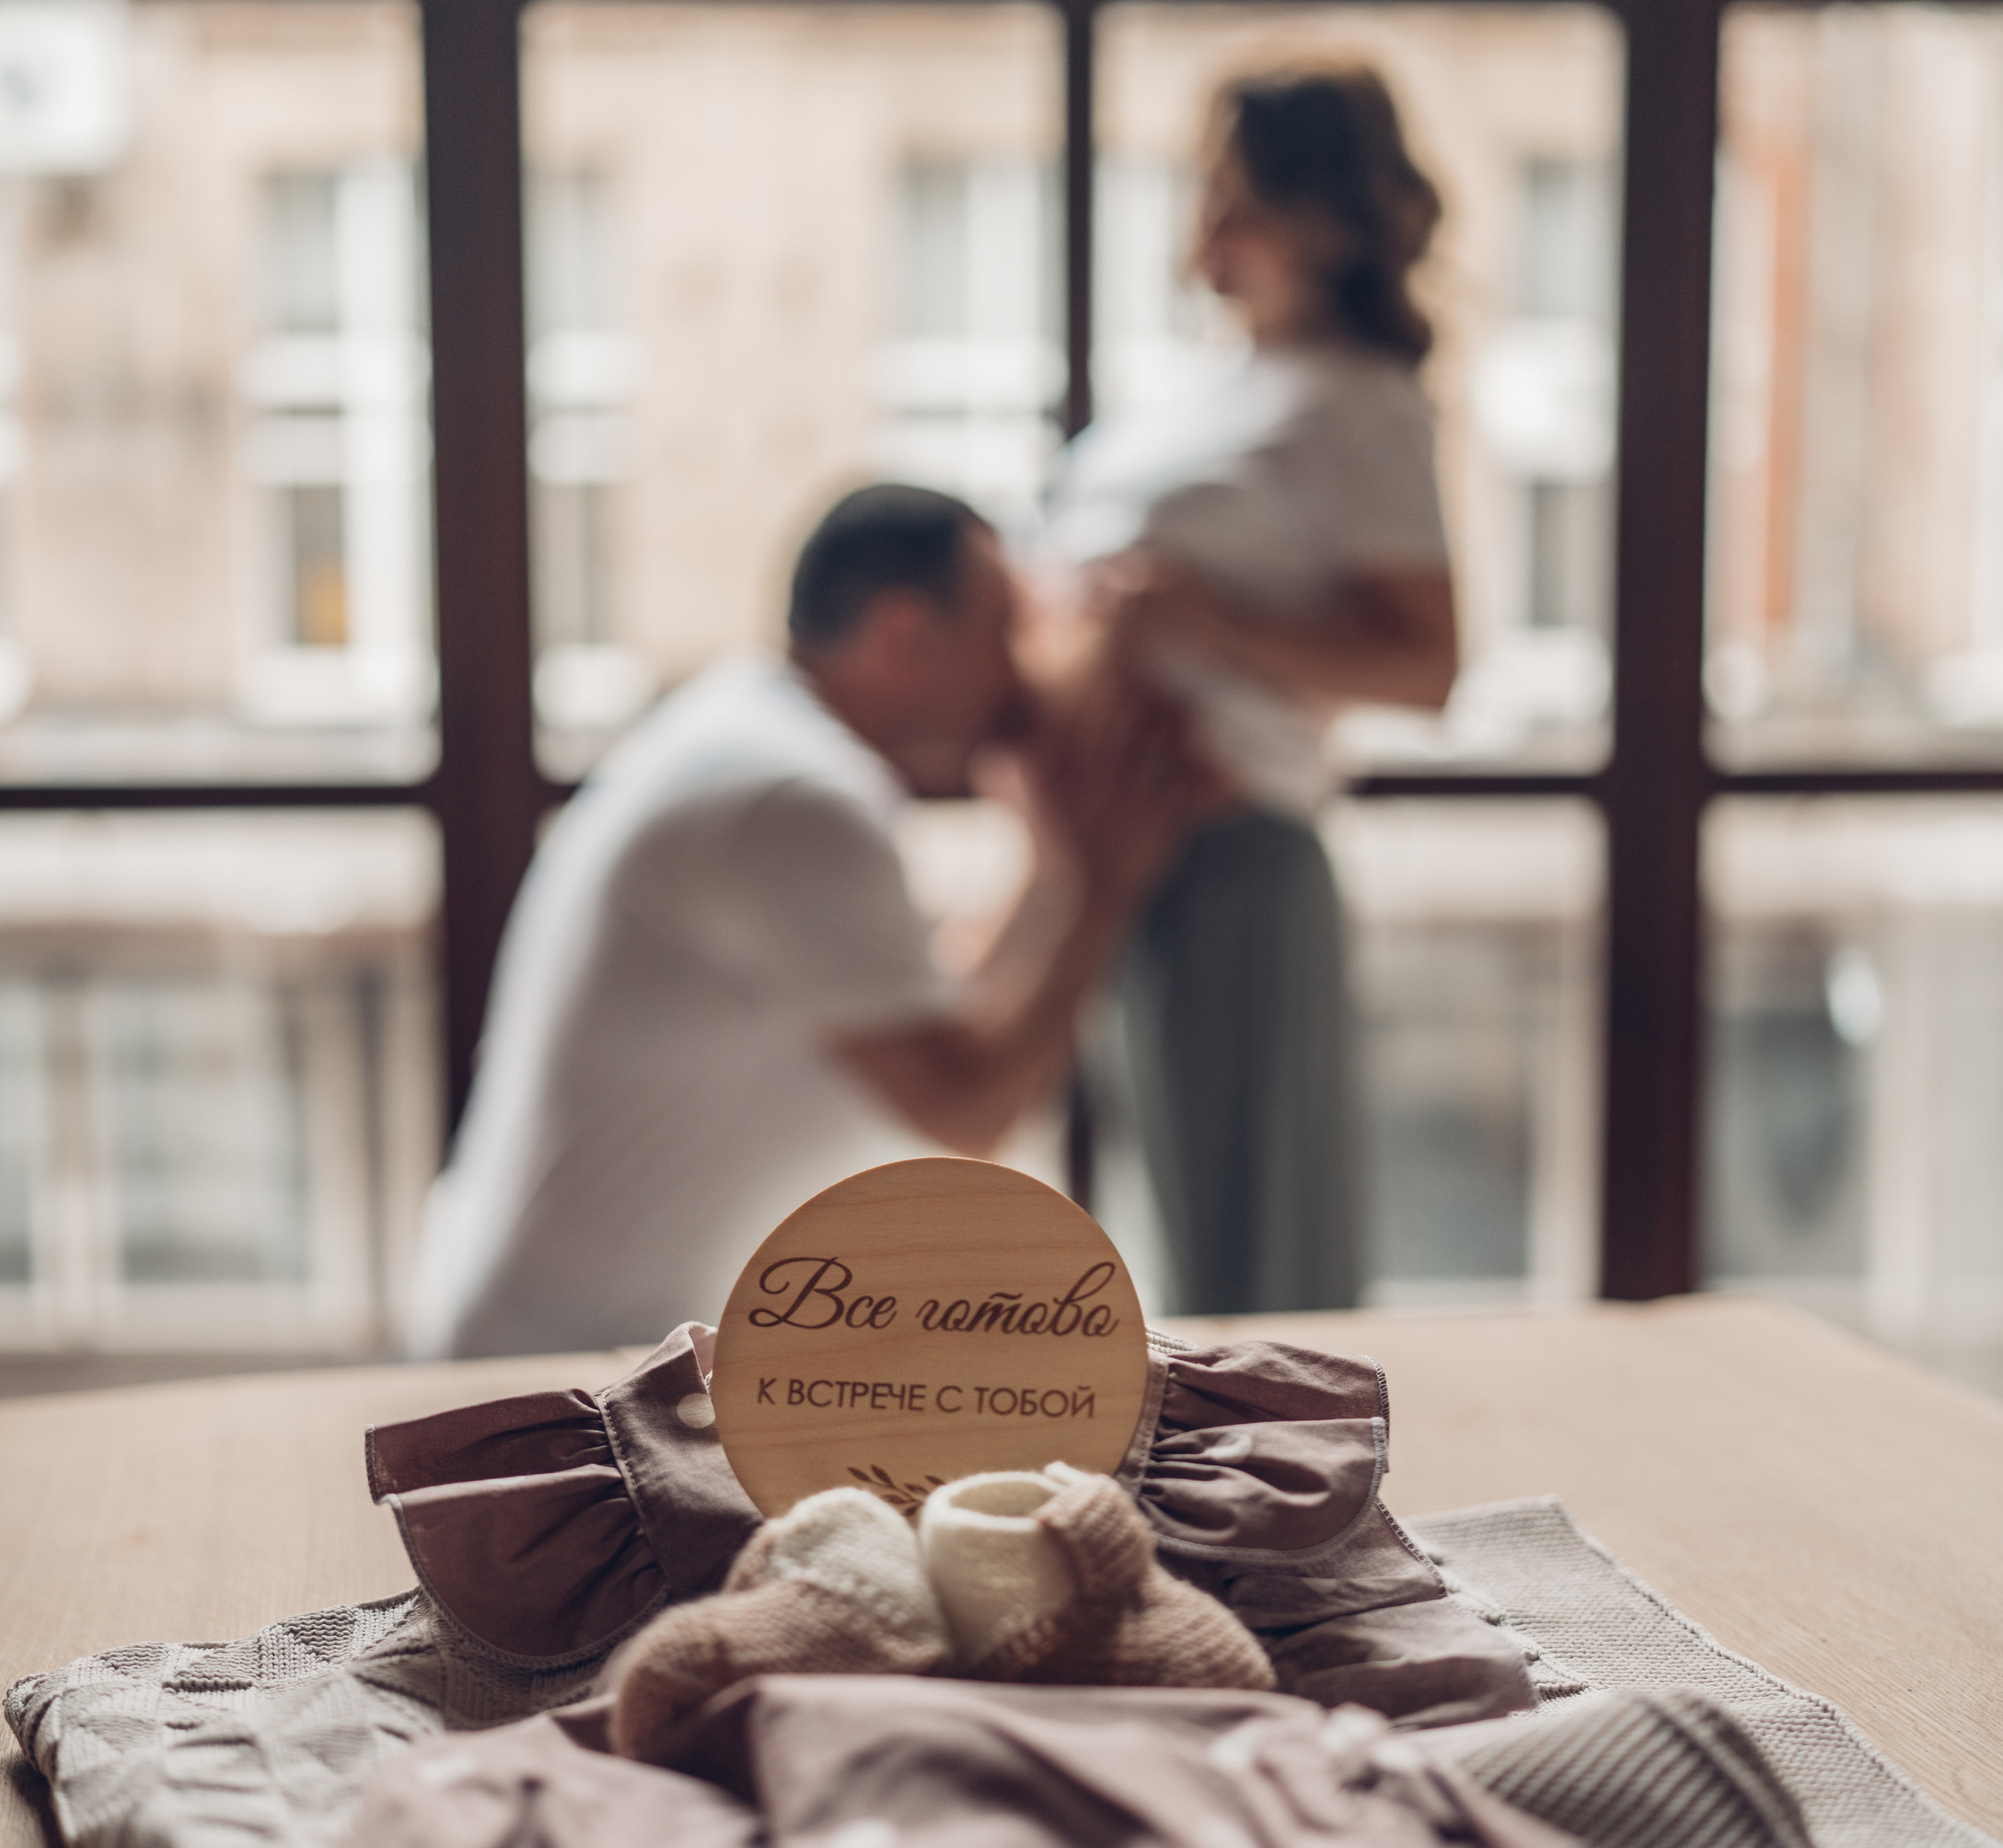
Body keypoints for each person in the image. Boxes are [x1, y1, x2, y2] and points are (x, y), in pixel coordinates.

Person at [408, 484, 1205, 1359]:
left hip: (556, 1330)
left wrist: (1058, 870)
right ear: (905, 634)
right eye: (1004, 627)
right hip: (567, 1368)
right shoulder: (797, 802)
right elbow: (969, 1112)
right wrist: (1105, 887)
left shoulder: (748, 729)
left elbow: (936, 1011)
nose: (1023, 670)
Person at [1044, 66, 1458, 1316]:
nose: (1209, 230)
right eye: (1205, 193)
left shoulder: (1361, 405)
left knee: (1252, 1265)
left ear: (1328, 218)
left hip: (1235, 859)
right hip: (1130, 854)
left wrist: (1207, 622)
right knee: (1167, 1253)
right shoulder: (1200, 390)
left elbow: (1426, 664)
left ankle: (1288, 1457)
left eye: (1244, 199)